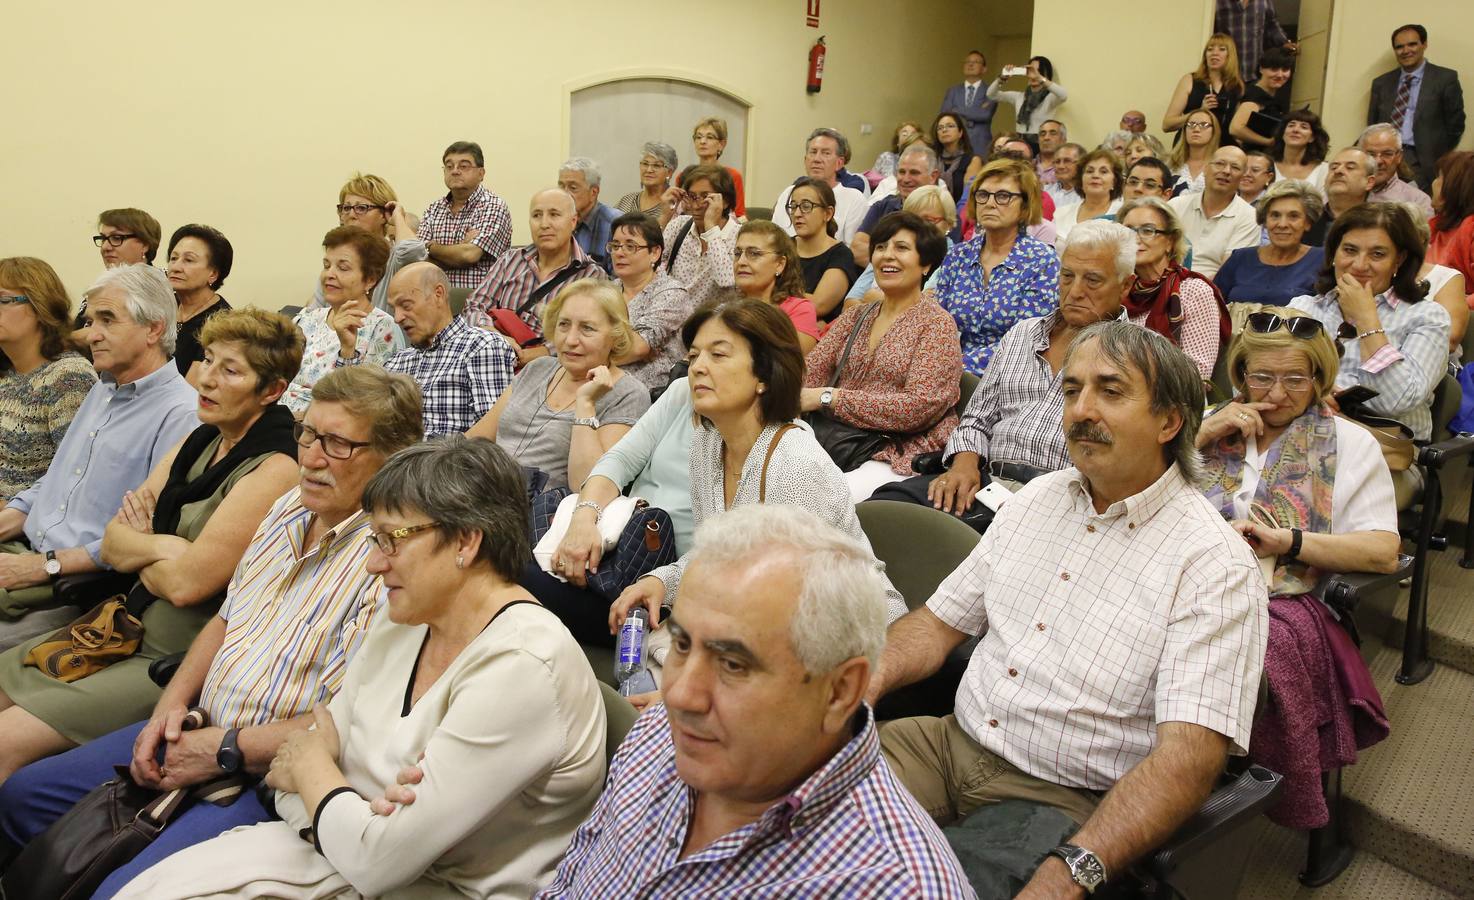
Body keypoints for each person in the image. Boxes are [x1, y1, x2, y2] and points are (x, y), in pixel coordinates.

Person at [113, 436, 606, 900]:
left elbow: (379, 858)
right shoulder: (406, 623)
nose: (373, 563)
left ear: (465, 542)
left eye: (391, 539)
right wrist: (339, 798)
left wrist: (316, 774)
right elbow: (288, 782)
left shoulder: (522, 667)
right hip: (327, 861)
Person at [870, 319, 1264, 897]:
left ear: (1169, 421)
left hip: (1060, 797)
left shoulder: (1213, 564)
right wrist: (861, 684)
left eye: (1110, 391)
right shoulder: (1037, 497)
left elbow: (1188, 762)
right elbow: (934, 625)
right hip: (951, 743)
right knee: (786, 796)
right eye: (1072, 389)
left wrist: (1071, 869)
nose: (1082, 409)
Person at [0, 366, 422, 897]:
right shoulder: (289, 505)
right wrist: (166, 713)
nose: (311, 457)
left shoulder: (392, 558)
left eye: (337, 444)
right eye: (308, 433)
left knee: (125, 889)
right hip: (197, 725)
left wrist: (220, 749)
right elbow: (226, 620)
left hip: (270, 772)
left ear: (393, 455)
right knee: (20, 799)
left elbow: (344, 722)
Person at [536, 504, 971, 898]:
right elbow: (573, 878)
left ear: (839, 691)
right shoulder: (660, 732)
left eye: (732, 666)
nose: (680, 694)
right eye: (683, 646)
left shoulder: (897, 886)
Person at [0, 309, 302, 782]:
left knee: (4, 742)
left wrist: (144, 543)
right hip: (120, 620)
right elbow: (116, 540)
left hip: (170, 653)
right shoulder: (202, 435)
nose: (206, 378)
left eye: (231, 370)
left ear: (272, 391)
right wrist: (165, 549)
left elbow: (187, 586)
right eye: (207, 360)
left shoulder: (277, 467)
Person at [602, 298, 907, 634]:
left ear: (764, 375)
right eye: (693, 356)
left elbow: (804, 601)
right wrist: (662, 580)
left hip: (851, 637)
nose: (698, 367)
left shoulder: (796, 466)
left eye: (718, 355)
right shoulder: (707, 442)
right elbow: (717, 555)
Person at [872, 221, 1135, 522]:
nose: (1075, 291)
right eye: (1067, 276)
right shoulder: (1023, 334)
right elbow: (976, 418)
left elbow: (1120, 458)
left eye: (1093, 280)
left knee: (955, 547)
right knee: (885, 507)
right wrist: (964, 464)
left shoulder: (1134, 360)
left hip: (1062, 499)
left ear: (1125, 285)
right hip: (985, 481)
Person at [0, 265, 198, 647]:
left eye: (108, 320)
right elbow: (57, 479)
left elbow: (143, 536)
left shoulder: (182, 414)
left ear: (154, 329)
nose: (92, 334)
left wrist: (42, 566)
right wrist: (8, 520)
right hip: (24, 553)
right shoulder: (103, 389)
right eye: (91, 320)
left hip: (74, 589)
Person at [1197, 310, 1400, 590]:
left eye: (1295, 380)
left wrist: (1289, 542)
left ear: (1317, 379)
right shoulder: (1208, 424)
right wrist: (1198, 436)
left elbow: (1383, 553)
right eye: (1262, 377)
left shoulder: (1350, 442)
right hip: (1187, 579)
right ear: (1242, 375)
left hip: (1283, 600)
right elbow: (1130, 496)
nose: (1278, 394)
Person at [801, 212, 961, 502]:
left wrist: (829, 397)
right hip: (838, 439)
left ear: (926, 264)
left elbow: (919, 406)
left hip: (899, 451)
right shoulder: (858, 315)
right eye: (881, 247)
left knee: (817, 501)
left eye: (901, 248)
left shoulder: (937, 324)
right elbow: (810, 372)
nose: (887, 256)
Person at [468, 277, 649, 491]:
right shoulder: (538, 368)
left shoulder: (628, 394)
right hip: (484, 493)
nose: (570, 339)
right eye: (563, 325)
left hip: (544, 515)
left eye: (587, 328)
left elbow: (587, 486)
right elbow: (474, 439)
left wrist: (586, 404)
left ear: (616, 336)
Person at [1288, 203, 1450, 441]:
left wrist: (1366, 319)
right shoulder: (1303, 308)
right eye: (1350, 250)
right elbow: (1250, 382)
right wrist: (1312, 393)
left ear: (1399, 260)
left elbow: (1395, 401)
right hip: (1301, 438)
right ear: (1333, 254)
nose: (1359, 265)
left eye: (1377, 254)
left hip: (1383, 450)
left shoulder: (1427, 317)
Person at [933, 158, 1059, 374]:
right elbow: (937, 323)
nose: (990, 203)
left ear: (1024, 206)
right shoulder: (958, 255)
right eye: (983, 195)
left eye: (1003, 196)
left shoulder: (1042, 261)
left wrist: (956, 367)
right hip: (949, 369)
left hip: (1012, 373)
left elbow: (1025, 341)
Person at [365, 262, 515, 437]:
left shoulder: (482, 346)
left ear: (438, 294)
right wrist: (348, 351)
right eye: (394, 309)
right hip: (394, 459)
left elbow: (493, 436)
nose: (397, 318)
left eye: (406, 305)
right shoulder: (396, 362)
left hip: (450, 460)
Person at [463, 188, 607, 367]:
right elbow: (474, 306)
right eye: (537, 215)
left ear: (573, 222)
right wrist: (493, 336)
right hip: (494, 360)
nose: (544, 224)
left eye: (554, 215)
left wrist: (544, 352)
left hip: (552, 369)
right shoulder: (510, 259)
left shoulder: (592, 276)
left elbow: (590, 332)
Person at [0, 259, 97, 503]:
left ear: (40, 307)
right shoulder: (7, 372)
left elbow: (76, 479)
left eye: (3, 300)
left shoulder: (69, 378)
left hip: (28, 530)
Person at [284, 226, 402, 415]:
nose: (329, 274)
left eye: (343, 267)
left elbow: (366, 401)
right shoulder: (307, 318)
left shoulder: (381, 327)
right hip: (277, 415)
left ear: (370, 279)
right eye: (326, 265)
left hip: (321, 427)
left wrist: (347, 352)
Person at [1120, 197, 1230, 380]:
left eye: (1147, 230)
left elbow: (1197, 372)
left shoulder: (1193, 291)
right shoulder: (1121, 289)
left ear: (1170, 241)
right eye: (1127, 231)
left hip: (1173, 398)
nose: (1135, 238)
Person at [307, 173, 427, 315]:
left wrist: (397, 217)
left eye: (362, 208)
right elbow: (312, 315)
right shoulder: (335, 261)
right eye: (346, 208)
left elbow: (414, 252)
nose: (351, 215)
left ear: (384, 214)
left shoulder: (395, 259)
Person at [1367, 24, 1466, 191]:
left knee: (1415, 209)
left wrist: (1437, 153)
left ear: (1424, 44)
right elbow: (1373, 124)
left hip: (1423, 160)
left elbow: (1456, 124)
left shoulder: (1445, 79)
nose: (1406, 51)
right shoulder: (1381, 83)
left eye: (1412, 44)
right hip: (1385, 157)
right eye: (1399, 47)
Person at [418, 141, 513, 291]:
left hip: (477, 302)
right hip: (433, 300)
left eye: (463, 166)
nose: (455, 171)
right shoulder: (434, 209)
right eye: (449, 166)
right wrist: (461, 246)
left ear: (481, 173)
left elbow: (469, 255)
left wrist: (431, 246)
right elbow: (420, 260)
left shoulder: (493, 206)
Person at [1215, 180, 1326, 306]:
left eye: (1293, 216)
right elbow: (1213, 304)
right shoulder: (1240, 258)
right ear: (1265, 221)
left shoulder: (1321, 261)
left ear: (1307, 223)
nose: (1282, 224)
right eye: (1275, 215)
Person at [846, 186, 957, 302]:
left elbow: (927, 307)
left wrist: (876, 299)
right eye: (912, 219)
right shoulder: (887, 251)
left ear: (948, 223)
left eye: (928, 220)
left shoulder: (955, 258)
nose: (918, 227)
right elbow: (850, 302)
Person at [1169, 146, 1261, 279]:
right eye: (1219, 164)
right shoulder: (1176, 205)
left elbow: (1228, 272)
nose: (1226, 171)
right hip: (1167, 283)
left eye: (1235, 167)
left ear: (1242, 177)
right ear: (1205, 169)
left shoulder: (1250, 217)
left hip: (1212, 291)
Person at [732, 221, 822, 354]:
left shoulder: (800, 310)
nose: (741, 262)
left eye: (754, 254)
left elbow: (790, 365)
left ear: (780, 264)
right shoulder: (728, 307)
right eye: (738, 253)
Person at [661, 164, 739, 310]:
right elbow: (651, 266)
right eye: (692, 197)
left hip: (711, 324)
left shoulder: (738, 235)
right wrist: (665, 217)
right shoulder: (678, 226)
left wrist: (710, 227)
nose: (695, 206)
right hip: (672, 320)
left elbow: (726, 281)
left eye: (705, 197)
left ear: (725, 201)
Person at [771, 129, 868, 244]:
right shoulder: (789, 193)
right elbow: (773, 240)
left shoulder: (853, 198)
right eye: (813, 152)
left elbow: (852, 251)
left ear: (839, 163)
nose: (817, 159)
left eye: (825, 153)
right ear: (805, 160)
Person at [164, 224, 233, 385]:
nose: (176, 267)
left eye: (188, 260)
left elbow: (189, 392)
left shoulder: (221, 323)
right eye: (173, 258)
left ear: (213, 274)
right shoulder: (162, 306)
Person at [854, 144, 941, 268]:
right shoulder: (882, 206)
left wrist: (881, 255)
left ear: (933, 176)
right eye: (901, 172)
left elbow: (936, 263)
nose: (905, 179)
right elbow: (857, 250)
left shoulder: (942, 215)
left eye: (914, 173)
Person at [787, 178, 859, 324]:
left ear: (828, 213)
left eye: (806, 206)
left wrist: (774, 293)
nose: (797, 214)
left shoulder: (840, 255)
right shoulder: (783, 246)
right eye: (793, 206)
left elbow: (818, 305)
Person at [1164, 33, 1245, 141]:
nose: (1214, 53)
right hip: (1190, 145)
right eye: (1210, 49)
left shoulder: (1237, 86)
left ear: (1230, 56)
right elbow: (1167, 124)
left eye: (1221, 49)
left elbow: (1237, 128)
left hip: (1221, 147)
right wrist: (1199, 111)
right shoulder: (1190, 80)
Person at [558, 157, 621, 274]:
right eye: (561, 186)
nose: (565, 194)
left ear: (594, 192)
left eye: (573, 188)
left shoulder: (615, 223)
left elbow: (620, 280)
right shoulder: (556, 221)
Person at [1359, 124, 1435, 220]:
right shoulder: (1345, 191)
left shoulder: (1417, 200)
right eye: (1371, 154)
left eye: (1387, 154)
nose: (1378, 161)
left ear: (1399, 157)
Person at [1053, 149, 1123, 248]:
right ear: (1081, 180)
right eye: (1089, 171)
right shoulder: (1059, 214)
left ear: (1114, 182)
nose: (1095, 175)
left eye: (1103, 172)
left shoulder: (1122, 214)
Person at [1214, 0, 1296, 83]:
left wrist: (1285, 42)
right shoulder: (1215, 2)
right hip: (1225, 73)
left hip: (1255, 72)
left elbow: (1271, 24)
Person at [986, 56, 1067, 139]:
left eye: (1038, 71)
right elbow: (991, 94)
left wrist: (1039, 78)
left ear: (1046, 74)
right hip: (1021, 142)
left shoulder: (1050, 98)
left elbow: (1063, 95)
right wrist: (1001, 78)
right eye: (1031, 71)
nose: (1033, 75)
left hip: (1042, 141)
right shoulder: (1019, 97)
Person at [1230, 47, 1295, 148]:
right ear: (1261, 69)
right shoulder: (1255, 95)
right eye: (1274, 69)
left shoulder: (1276, 95)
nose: (1280, 75)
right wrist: (1268, 142)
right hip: (1254, 156)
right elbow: (1236, 128)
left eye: (1285, 70)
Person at [940, 49, 999, 157]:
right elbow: (945, 115)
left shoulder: (991, 91)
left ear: (984, 69)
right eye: (967, 62)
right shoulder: (953, 91)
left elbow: (984, 115)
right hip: (955, 144)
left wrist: (957, 111)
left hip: (981, 145)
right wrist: (973, 117)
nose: (970, 64)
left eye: (976, 62)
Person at [1429, 150, 1474, 293]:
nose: (1434, 183)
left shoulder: (1471, 229)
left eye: (1439, 177)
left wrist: (1457, 305)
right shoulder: (1437, 226)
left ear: (1453, 185)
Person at [686, 117, 746, 217]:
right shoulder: (685, 175)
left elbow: (740, 215)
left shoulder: (732, 175)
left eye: (709, 137)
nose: (702, 141)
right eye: (698, 137)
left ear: (721, 144)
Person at [1317, 147, 1376, 246]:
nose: (1338, 171)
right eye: (1333, 167)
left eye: (1350, 167)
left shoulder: (1379, 224)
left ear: (1369, 182)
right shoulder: (1308, 219)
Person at [615, 141, 680, 224]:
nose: (649, 170)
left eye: (656, 165)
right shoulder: (626, 200)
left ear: (669, 172)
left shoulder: (674, 204)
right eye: (645, 164)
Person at [931, 111, 984, 206]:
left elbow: (968, 198)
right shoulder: (931, 159)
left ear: (960, 133)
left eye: (950, 126)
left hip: (960, 213)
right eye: (940, 128)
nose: (944, 130)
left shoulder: (973, 161)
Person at [1271, 109, 1331, 192]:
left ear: (1312, 138)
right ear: (1282, 134)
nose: (1295, 130)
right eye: (1291, 125)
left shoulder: (1324, 170)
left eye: (1304, 127)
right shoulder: (1268, 165)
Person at [1168, 108, 1223, 195]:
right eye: (1191, 124)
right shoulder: (1170, 163)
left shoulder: (1221, 166)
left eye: (1204, 125)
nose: (1196, 129)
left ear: (1214, 131)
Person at [94, 209, 162, 270]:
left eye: (116, 238)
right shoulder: (106, 283)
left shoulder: (162, 283)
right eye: (103, 239)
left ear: (145, 245)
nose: (105, 247)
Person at [1045, 143, 1085, 210]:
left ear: (1081, 164)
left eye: (1067, 161)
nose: (1061, 166)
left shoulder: (1087, 195)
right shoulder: (1045, 192)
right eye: (1057, 162)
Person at [1036, 119, 1067, 185]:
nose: (1046, 138)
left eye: (1053, 133)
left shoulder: (1069, 168)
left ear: (1063, 140)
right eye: (1042, 134)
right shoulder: (1028, 166)